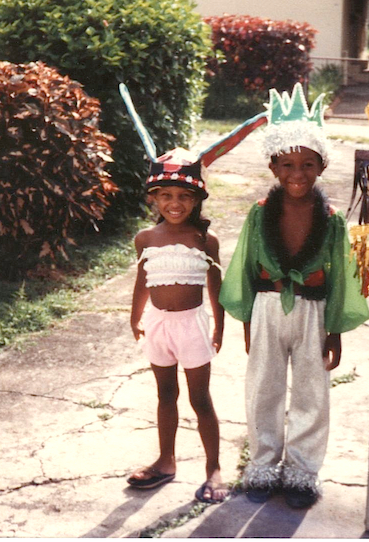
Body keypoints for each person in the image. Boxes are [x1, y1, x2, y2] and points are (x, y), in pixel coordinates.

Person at [220, 84, 369, 509]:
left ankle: (303, 470)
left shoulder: (332, 220)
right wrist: (247, 321)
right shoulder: (259, 213)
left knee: (311, 391)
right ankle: (263, 464)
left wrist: (334, 330)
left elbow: (340, 276)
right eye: (287, 164)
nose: (297, 173)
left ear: (322, 165)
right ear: (273, 165)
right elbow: (245, 266)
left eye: (307, 164)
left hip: (313, 311)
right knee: (263, 387)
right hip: (267, 308)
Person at [127, 147, 229, 504]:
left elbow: (215, 286)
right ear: (154, 198)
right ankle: (165, 460)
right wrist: (135, 316)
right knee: (165, 394)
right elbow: (143, 279)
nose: (175, 203)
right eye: (166, 195)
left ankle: (213, 468)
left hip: (192, 327)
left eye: (184, 196)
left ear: (196, 200)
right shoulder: (145, 238)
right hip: (158, 325)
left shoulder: (205, 241)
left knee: (200, 398)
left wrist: (219, 326)